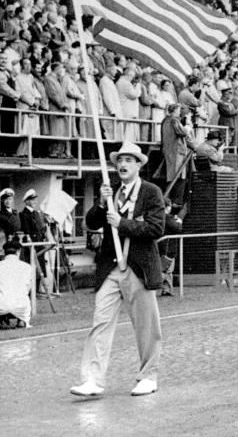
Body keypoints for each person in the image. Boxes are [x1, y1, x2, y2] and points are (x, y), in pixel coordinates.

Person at [70, 141, 165, 397]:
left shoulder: (151, 192)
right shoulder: (111, 192)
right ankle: (92, 380)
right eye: (119, 160)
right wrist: (102, 204)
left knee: (146, 326)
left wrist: (122, 223)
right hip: (110, 269)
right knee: (100, 322)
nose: (122, 165)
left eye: (128, 160)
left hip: (138, 267)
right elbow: (91, 223)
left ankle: (148, 376)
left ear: (138, 165)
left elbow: (156, 228)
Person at [0, 238, 33, 329]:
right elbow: (28, 288)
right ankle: (22, 320)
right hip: (21, 305)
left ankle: (2, 319)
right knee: (23, 296)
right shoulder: (27, 267)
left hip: (1, 305)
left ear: (4, 252)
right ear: (18, 252)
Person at [160, 199, 183, 297]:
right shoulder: (168, 218)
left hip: (160, 247)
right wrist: (179, 222)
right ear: (167, 207)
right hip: (168, 249)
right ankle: (166, 289)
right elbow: (177, 228)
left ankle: (166, 289)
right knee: (167, 270)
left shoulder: (156, 217)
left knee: (164, 270)